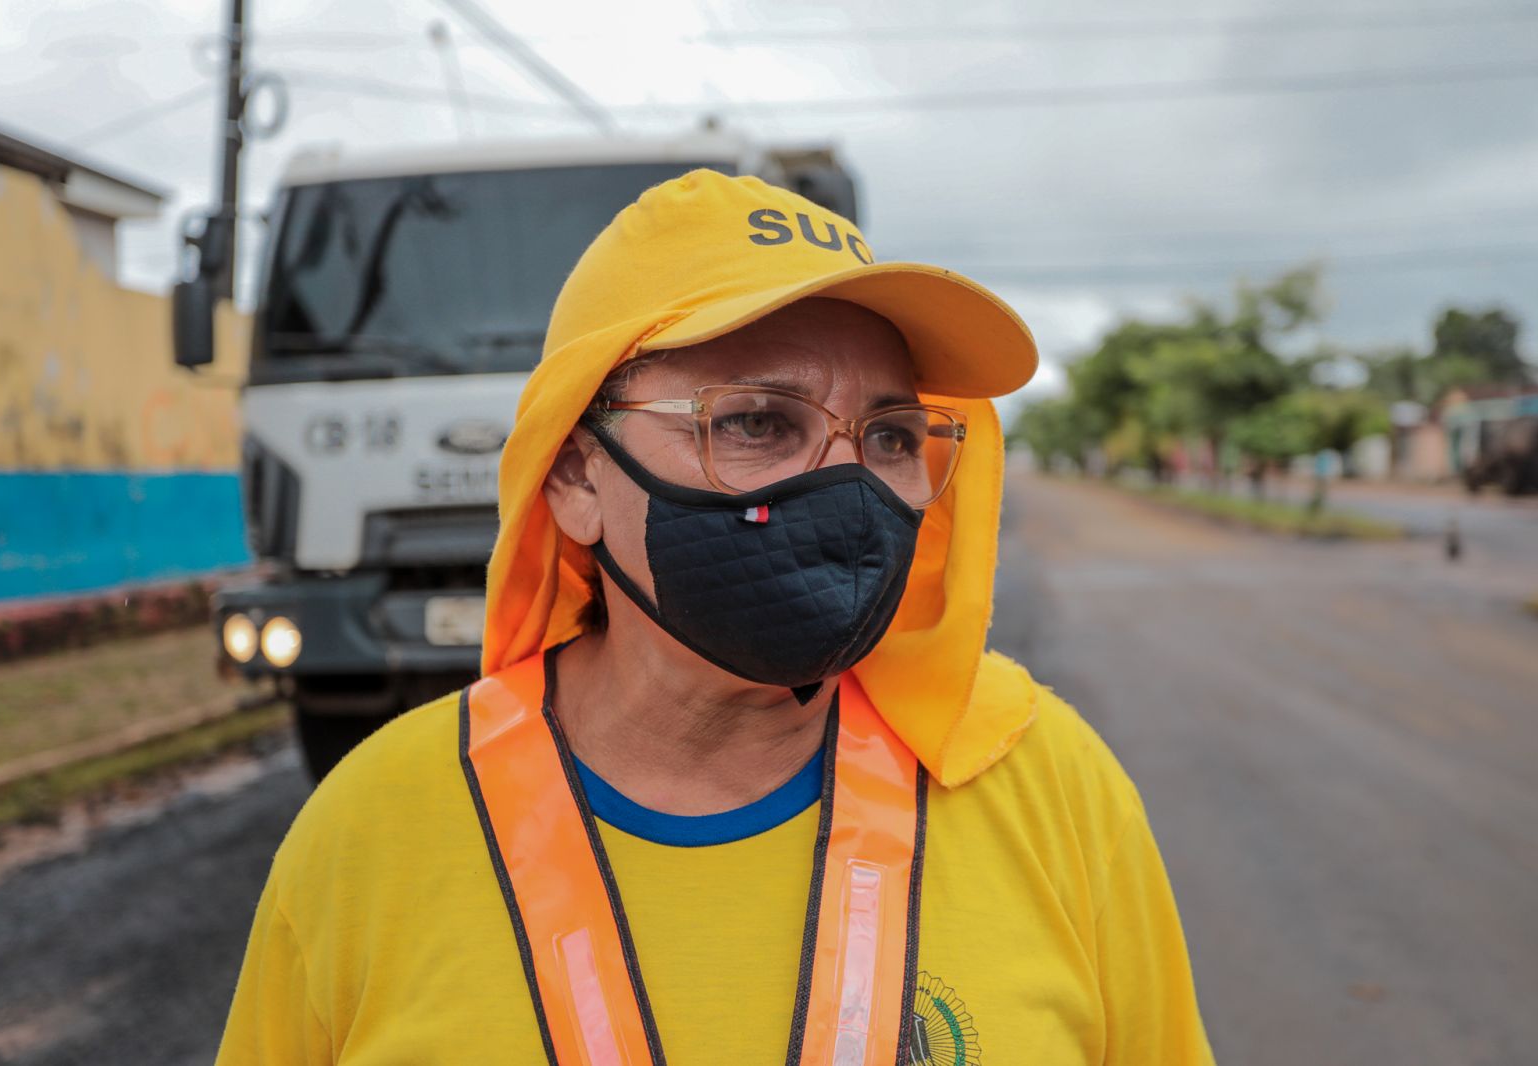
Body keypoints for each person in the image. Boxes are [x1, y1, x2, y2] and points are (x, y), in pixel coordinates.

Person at [216, 169, 1214, 1065]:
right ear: (574, 474)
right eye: (754, 422)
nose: (847, 482)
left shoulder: (1049, 785)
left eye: (891, 434)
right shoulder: (370, 831)